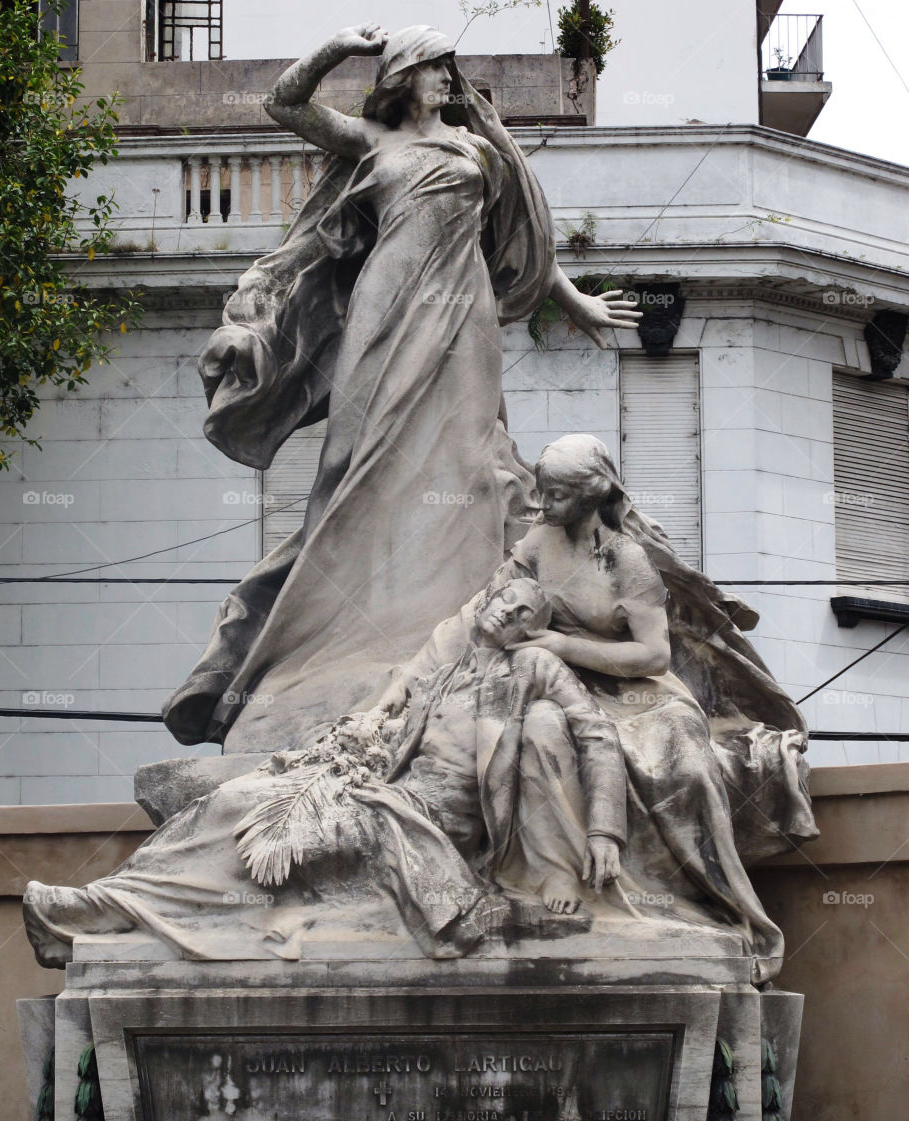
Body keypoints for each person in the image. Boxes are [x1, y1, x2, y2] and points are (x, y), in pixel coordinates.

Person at [162, 24, 640, 753]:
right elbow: (283, 103)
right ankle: (325, 623)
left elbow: (518, 240)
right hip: (384, 308)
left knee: (473, 458)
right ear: (403, 76)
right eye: (434, 68)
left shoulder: (477, 146)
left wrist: (576, 303)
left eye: (451, 69)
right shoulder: (372, 142)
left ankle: (451, 616)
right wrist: (336, 49)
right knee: (352, 461)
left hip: (462, 311)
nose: (448, 80)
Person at [23, 580, 627, 968]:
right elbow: (389, 732)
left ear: (531, 629)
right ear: (488, 600)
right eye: (507, 599)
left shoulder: (534, 668)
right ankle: (116, 900)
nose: (511, 613)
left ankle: (108, 908)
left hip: (425, 828)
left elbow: (597, 733)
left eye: (526, 613)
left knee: (249, 827)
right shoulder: (445, 670)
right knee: (240, 798)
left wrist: (603, 832)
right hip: (384, 798)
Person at [394, 434, 819, 983]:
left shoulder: (626, 560)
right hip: (560, 683)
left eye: (555, 496)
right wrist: (412, 678)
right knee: (538, 729)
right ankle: (554, 874)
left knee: (686, 767)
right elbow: (486, 609)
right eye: (541, 493)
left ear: (592, 496)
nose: (542, 506)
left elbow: (655, 654)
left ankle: (715, 902)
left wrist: (566, 646)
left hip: (638, 690)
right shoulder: (536, 544)